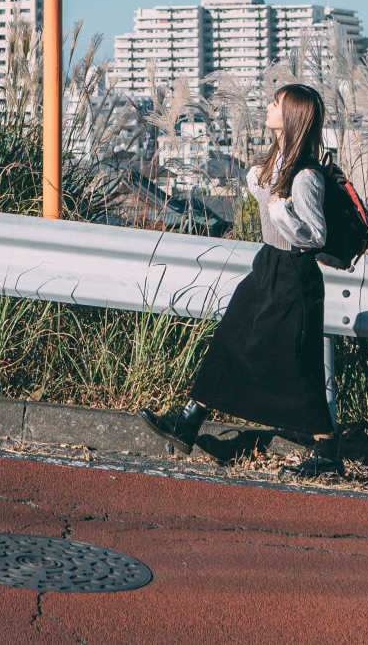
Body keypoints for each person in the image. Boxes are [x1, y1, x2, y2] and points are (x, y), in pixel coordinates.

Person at [140, 83, 342, 477]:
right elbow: (272, 213)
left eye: (276, 104)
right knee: (230, 339)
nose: (268, 107)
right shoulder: (277, 163)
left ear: (293, 117)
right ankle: (188, 420)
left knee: (297, 364)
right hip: (267, 265)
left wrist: (282, 214)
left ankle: (327, 451)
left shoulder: (305, 176)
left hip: (294, 276)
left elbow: (316, 236)